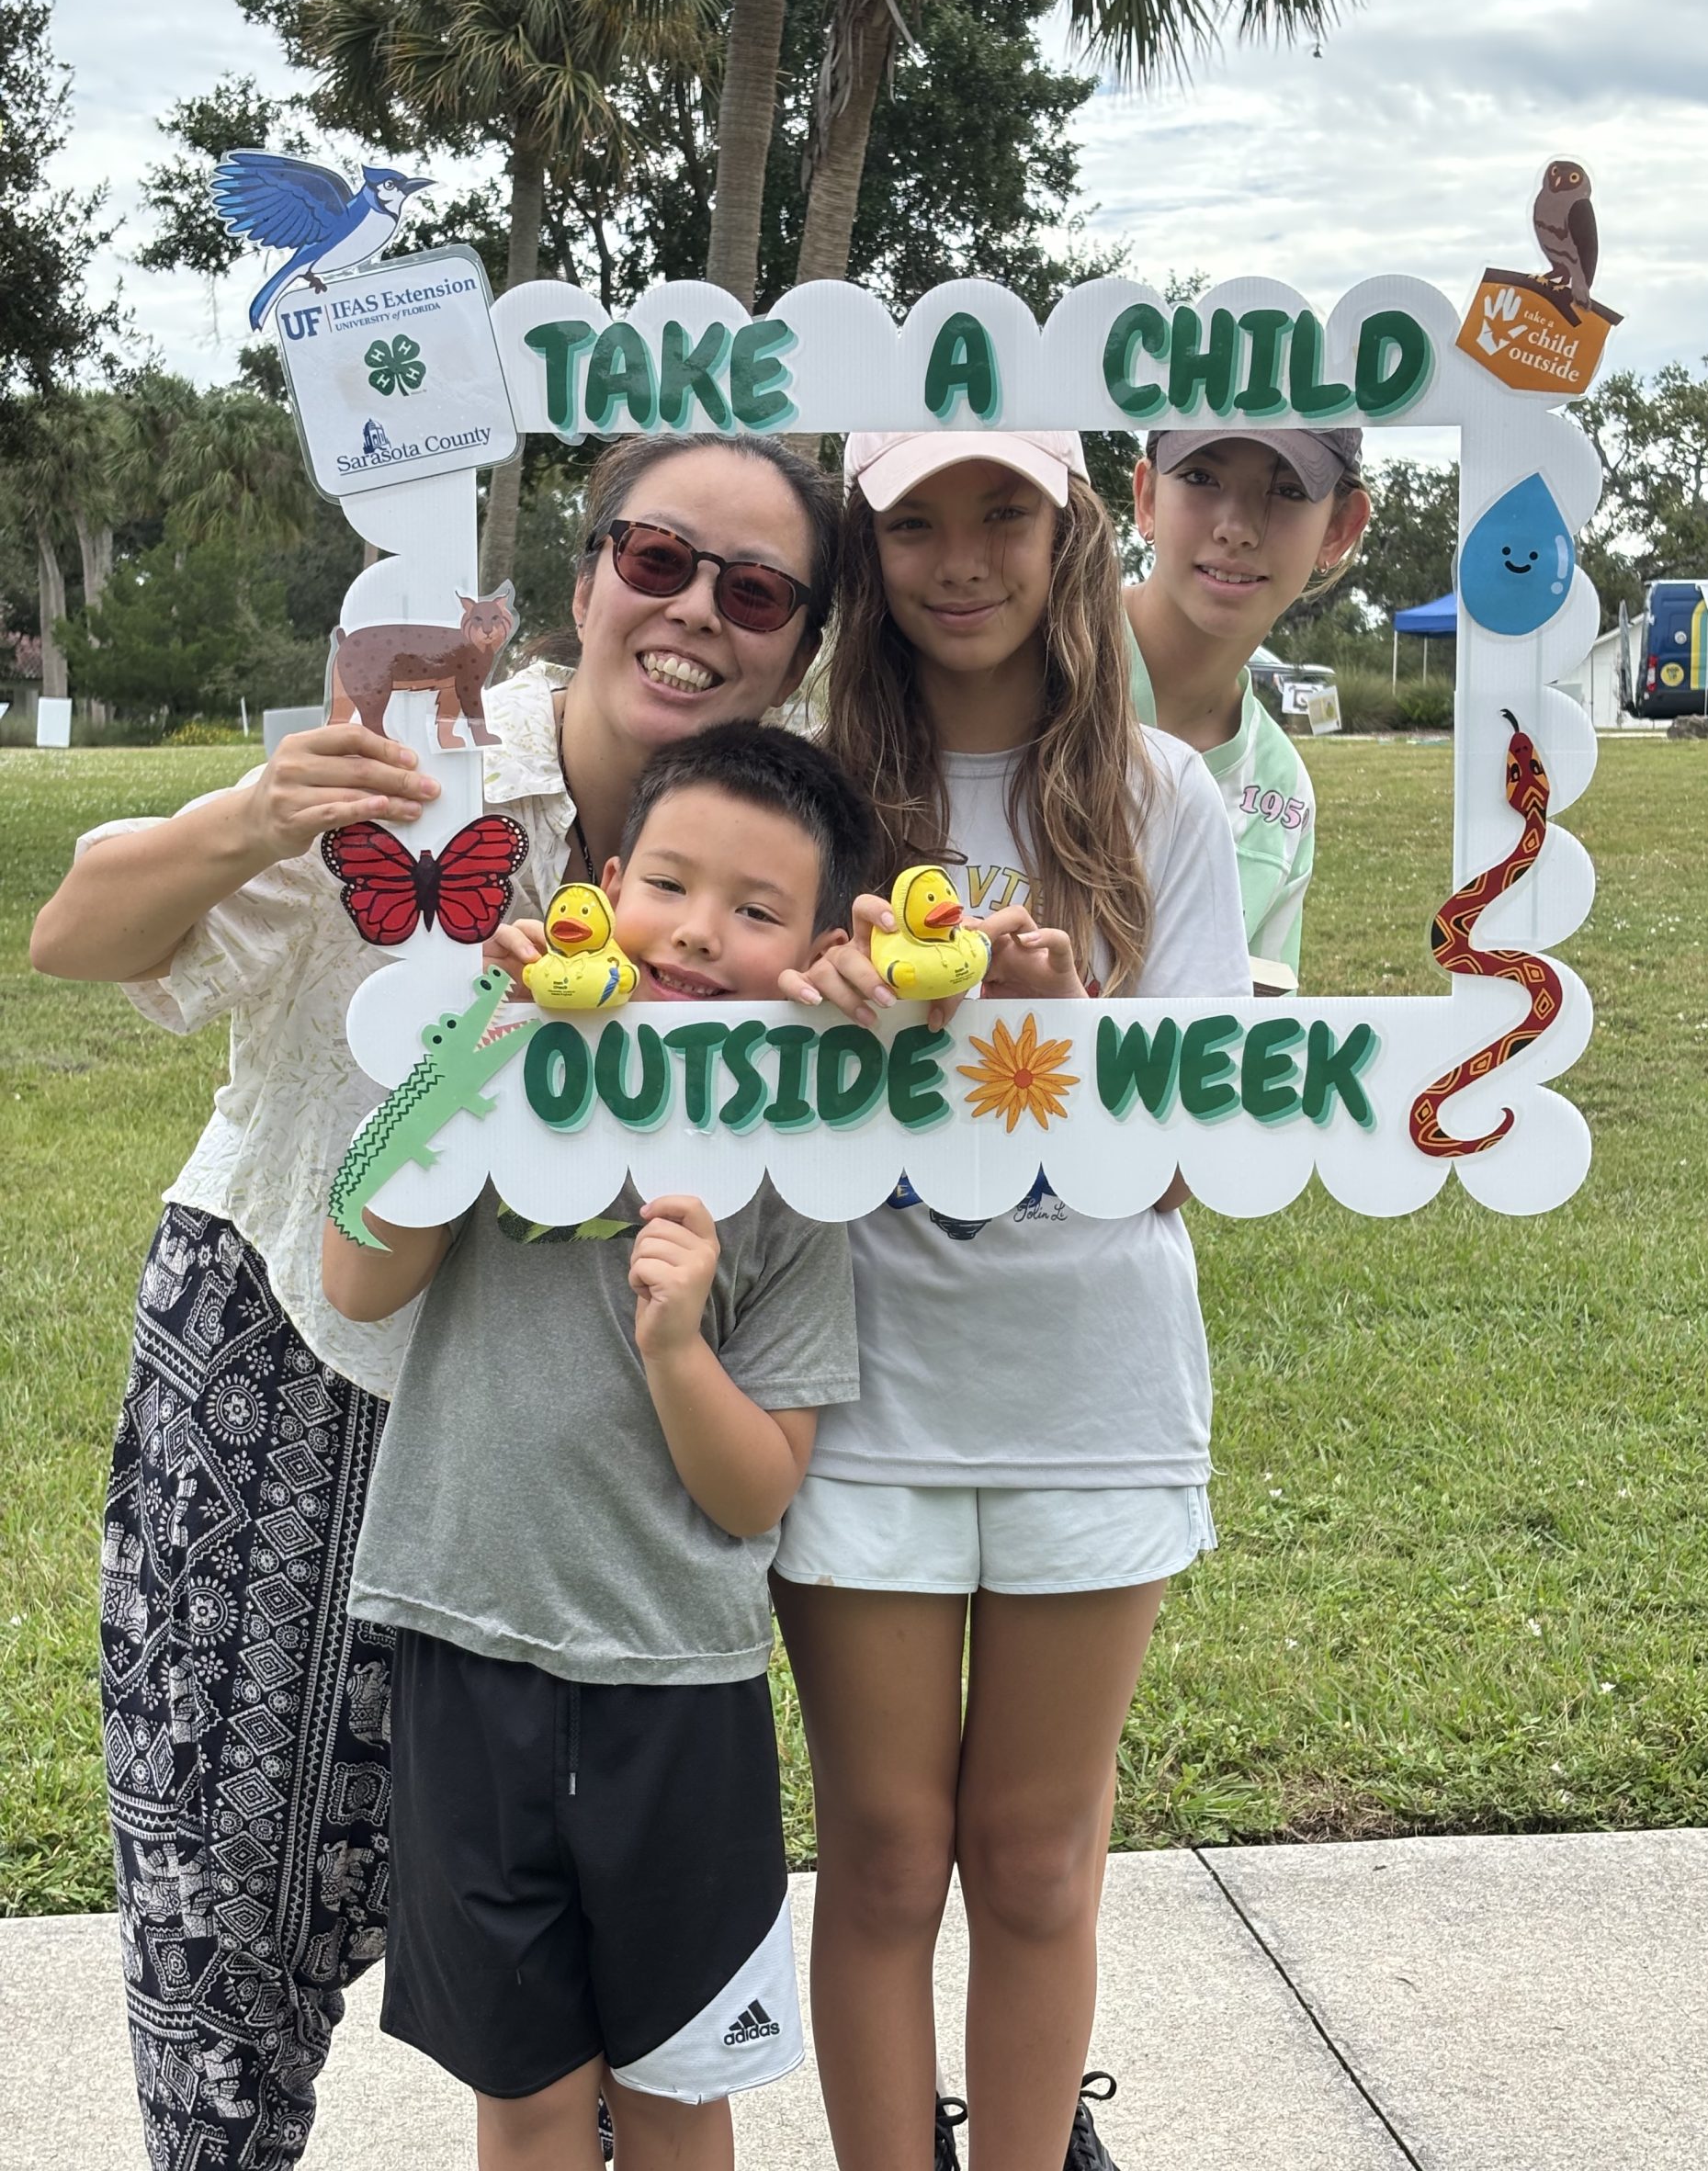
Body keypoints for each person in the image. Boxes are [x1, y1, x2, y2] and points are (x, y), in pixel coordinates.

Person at [28, 432, 841, 2171]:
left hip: (565, 1432)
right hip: (292, 1346)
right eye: (658, 558)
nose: (697, 610)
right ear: (587, 573)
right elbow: (75, 937)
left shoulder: (771, 867)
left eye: (758, 590)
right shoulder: (423, 760)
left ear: (799, 643)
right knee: (236, 1902)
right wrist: (266, 808)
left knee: (600, 1983)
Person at [770, 430, 1253, 2171]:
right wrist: (804, 1006)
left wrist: (1055, 1038)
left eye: (1004, 517)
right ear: (866, 548)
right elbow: (720, 1093)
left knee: (1040, 1859)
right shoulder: (807, 792)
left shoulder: (1161, 796)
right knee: (887, 1855)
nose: (962, 560)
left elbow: (1190, 1158)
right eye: (914, 523)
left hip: (1090, 1392)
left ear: (1072, 535)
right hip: (860, 1385)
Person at [324, 723, 871, 2171]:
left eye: (757, 911)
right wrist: (476, 1057)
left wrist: (680, 1348)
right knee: (525, 2094)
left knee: (681, 2087)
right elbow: (357, 1274)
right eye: (669, 886)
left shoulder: (796, 1183)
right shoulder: (501, 1070)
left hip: (676, 1684)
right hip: (468, 1646)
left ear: (820, 952)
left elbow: (759, 1489)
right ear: (603, 885)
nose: (697, 933)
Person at [1123, 429, 1370, 990]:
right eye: (1200, 478)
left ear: (1339, 528)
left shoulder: (1283, 790)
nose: (1236, 528)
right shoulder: (1037, 667)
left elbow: (1252, 1024)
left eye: (1287, 490)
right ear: (1147, 498)